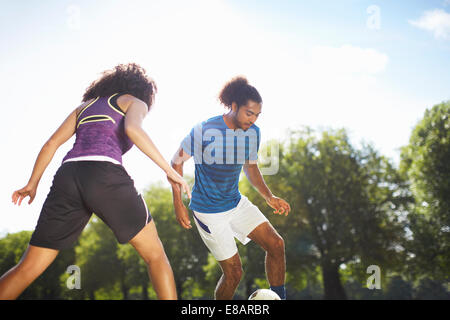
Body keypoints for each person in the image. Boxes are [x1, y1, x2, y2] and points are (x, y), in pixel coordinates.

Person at [0, 63, 191, 300]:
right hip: (104, 174)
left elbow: (51, 143)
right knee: (155, 256)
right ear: (143, 91)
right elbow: (133, 129)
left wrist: (32, 184)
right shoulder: (134, 101)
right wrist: (169, 170)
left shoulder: (83, 107)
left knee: (27, 268)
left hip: (67, 176)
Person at [168, 76, 291, 300]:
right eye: (248, 113)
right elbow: (176, 162)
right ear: (234, 106)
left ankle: (279, 299)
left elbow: (251, 167)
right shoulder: (204, 129)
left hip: (235, 202)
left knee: (276, 244)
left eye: (257, 115)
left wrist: (268, 196)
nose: (252, 119)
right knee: (233, 273)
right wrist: (178, 202)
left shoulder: (253, 133)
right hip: (209, 212)